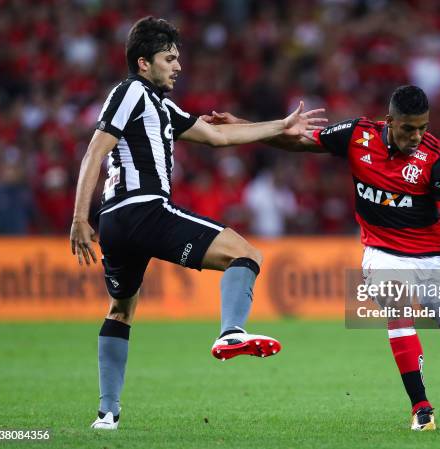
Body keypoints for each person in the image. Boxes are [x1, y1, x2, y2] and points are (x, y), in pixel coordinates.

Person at [202, 85, 440, 431]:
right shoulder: (358, 135)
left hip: (433, 257)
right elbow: (298, 141)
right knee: (397, 309)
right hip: (383, 253)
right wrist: (242, 126)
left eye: (422, 128)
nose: (416, 136)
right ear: (389, 121)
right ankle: (422, 409)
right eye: (408, 128)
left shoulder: (438, 159)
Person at [69, 17, 325, 430]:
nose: (178, 66)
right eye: (169, 58)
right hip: (143, 209)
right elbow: (94, 151)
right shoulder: (131, 91)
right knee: (246, 253)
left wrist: (279, 126)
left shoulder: (161, 106)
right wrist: (79, 217)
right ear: (143, 63)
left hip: (117, 222)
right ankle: (231, 331)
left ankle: (107, 414)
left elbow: (218, 137)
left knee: (120, 310)